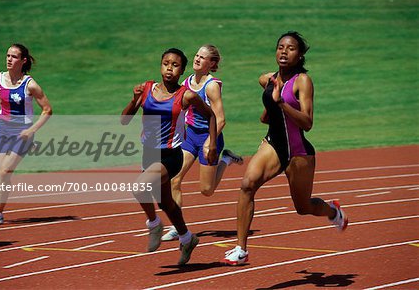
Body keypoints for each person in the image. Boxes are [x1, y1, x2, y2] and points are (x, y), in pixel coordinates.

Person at [222, 31, 348, 265]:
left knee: (303, 207)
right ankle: (241, 249)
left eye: (290, 48)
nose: (284, 52)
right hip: (273, 145)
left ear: (300, 56)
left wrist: (280, 103)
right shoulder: (268, 79)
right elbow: (267, 95)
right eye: (281, 47)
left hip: (298, 152)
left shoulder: (303, 82)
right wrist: (269, 111)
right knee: (247, 185)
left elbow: (307, 123)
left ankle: (333, 212)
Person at [121, 48, 218, 265]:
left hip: (170, 156)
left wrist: (211, 143)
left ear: (182, 70)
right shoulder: (146, 89)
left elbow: (210, 115)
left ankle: (154, 224)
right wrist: (134, 99)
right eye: (166, 63)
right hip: (149, 154)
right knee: (167, 203)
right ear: (160, 65)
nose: (169, 69)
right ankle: (187, 238)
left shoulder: (186, 95)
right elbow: (124, 120)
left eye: (175, 65)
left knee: (139, 187)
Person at [162, 44, 243, 241]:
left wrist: (210, 141)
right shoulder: (187, 81)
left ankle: (226, 160)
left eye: (202, 57)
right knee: (174, 179)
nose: (197, 59)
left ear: (212, 63)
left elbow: (221, 119)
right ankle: (178, 226)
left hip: (210, 138)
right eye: (196, 55)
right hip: (190, 137)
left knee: (206, 190)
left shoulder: (212, 86)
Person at [0, 44, 52, 226]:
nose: (9, 59)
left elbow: (47, 110)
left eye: (14, 57)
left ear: (23, 60)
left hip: (22, 134)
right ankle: (6, 186)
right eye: (8, 56)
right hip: (4, 133)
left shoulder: (30, 85)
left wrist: (32, 130)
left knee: (4, 172)